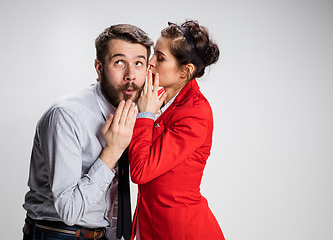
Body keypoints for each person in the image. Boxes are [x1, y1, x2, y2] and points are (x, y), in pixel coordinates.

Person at [22, 24, 153, 240]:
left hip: (101, 234)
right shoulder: (66, 116)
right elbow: (69, 211)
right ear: (99, 68)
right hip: (59, 233)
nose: (131, 75)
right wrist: (113, 150)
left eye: (138, 63)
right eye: (119, 62)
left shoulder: (136, 110)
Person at [128, 20, 225, 239]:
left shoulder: (196, 113)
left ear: (186, 71)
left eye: (160, 58)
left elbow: (140, 171)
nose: (150, 62)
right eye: (154, 53)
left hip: (182, 231)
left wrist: (145, 115)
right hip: (151, 225)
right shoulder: (159, 99)